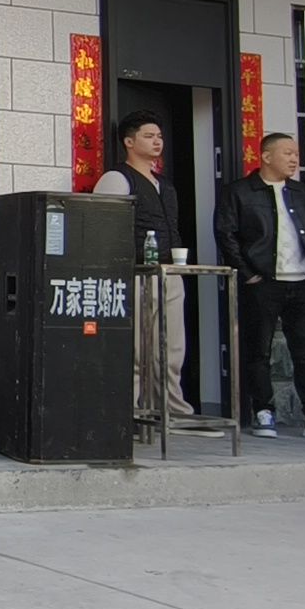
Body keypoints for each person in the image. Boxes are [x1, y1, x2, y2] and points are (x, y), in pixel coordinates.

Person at [213, 133, 305, 440]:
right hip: (262, 283)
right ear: (266, 156)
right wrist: (247, 273)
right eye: (287, 153)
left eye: (296, 153)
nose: (294, 159)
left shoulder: (301, 192)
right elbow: (226, 234)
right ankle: (263, 410)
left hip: (302, 282)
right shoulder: (240, 191)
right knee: (258, 350)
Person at [92, 111, 217, 433]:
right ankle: (129, 413)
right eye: (148, 136)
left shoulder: (166, 186)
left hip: (169, 273)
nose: (157, 141)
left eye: (159, 136)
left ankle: (171, 412)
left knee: (171, 349)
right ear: (129, 142)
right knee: (135, 349)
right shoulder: (117, 178)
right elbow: (100, 227)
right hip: (133, 274)